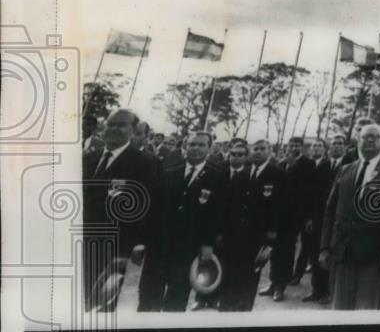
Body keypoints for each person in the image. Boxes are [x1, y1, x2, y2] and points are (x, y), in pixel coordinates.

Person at [318, 123, 380, 310]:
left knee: (365, 309)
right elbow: (330, 211)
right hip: (343, 251)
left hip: (373, 254)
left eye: (375, 137)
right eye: (365, 136)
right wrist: (325, 247)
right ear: (357, 141)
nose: (369, 140)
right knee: (340, 309)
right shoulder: (345, 169)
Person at [82, 109, 159, 311]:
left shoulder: (144, 162)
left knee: (102, 303)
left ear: (133, 131)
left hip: (113, 247)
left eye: (121, 125)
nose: (114, 129)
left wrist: (129, 248)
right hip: (81, 241)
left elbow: (145, 209)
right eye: (111, 124)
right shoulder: (90, 157)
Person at [142, 131, 223, 311]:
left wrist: (208, 244)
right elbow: (154, 208)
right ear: (185, 146)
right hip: (160, 244)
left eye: (201, 145)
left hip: (188, 247)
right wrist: (144, 240)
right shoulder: (168, 169)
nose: (196, 148)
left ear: (209, 149)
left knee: (177, 296)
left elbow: (216, 215)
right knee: (149, 293)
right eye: (192, 144)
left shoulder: (217, 177)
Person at [214, 139, 257, 311]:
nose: (236, 158)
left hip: (240, 233)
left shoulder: (250, 176)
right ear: (228, 154)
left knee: (235, 271)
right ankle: (207, 298)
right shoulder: (220, 172)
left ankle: (231, 303)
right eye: (233, 154)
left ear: (246, 157)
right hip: (219, 229)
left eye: (240, 155)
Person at [273, 136, 316, 300]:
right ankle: (273, 281)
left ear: (301, 147)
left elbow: (308, 190)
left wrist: (309, 216)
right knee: (275, 251)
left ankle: (280, 286)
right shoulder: (282, 163)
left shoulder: (308, 164)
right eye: (291, 145)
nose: (293, 148)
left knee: (287, 250)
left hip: (296, 215)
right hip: (279, 214)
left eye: (296, 145)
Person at [248, 139, 284, 306]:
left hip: (261, 231)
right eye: (255, 149)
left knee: (253, 270)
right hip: (242, 229)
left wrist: (272, 232)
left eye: (262, 149)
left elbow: (278, 206)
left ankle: (245, 304)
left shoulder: (277, 173)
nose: (258, 152)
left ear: (270, 152)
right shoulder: (246, 170)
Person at [302, 139, 333, 304]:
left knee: (322, 254)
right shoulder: (307, 165)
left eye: (320, 145)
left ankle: (325, 291)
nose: (316, 148)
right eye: (314, 146)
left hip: (322, 217)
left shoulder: (328, 166)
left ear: (324, 149)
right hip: (308, 217)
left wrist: (314, 217)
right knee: (312, 255)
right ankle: (315, 290)